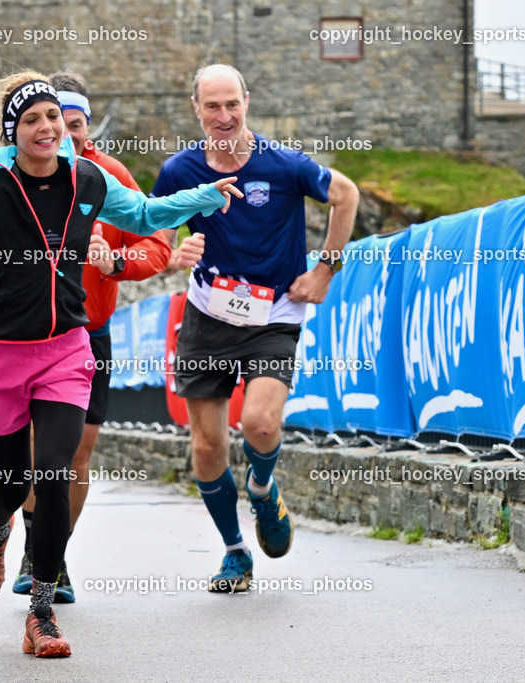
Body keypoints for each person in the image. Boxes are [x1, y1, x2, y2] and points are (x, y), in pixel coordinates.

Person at [0, 70, 241, 658]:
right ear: (12, 132)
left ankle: (41, 611)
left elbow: (146, 217)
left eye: (52, 116)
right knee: (11, 481)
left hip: (66, 351)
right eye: (32, 120)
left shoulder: (88, 178)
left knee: (53, 475)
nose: (47, 128)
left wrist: (204, 197)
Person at [152, 64, 358, 592]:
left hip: (274, 316)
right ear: (195, 108)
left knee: (262, 424)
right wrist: (177, 254)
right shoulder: (179, 170)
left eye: (232, 104)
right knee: (206, 448)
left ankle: (263, 490)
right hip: (207, 315)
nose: (224, 117)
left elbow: (347, 194)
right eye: (212, 106)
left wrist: (326, 269)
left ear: (247, 101)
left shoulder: (284, 165)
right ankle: (235, 553)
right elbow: (152, 231)